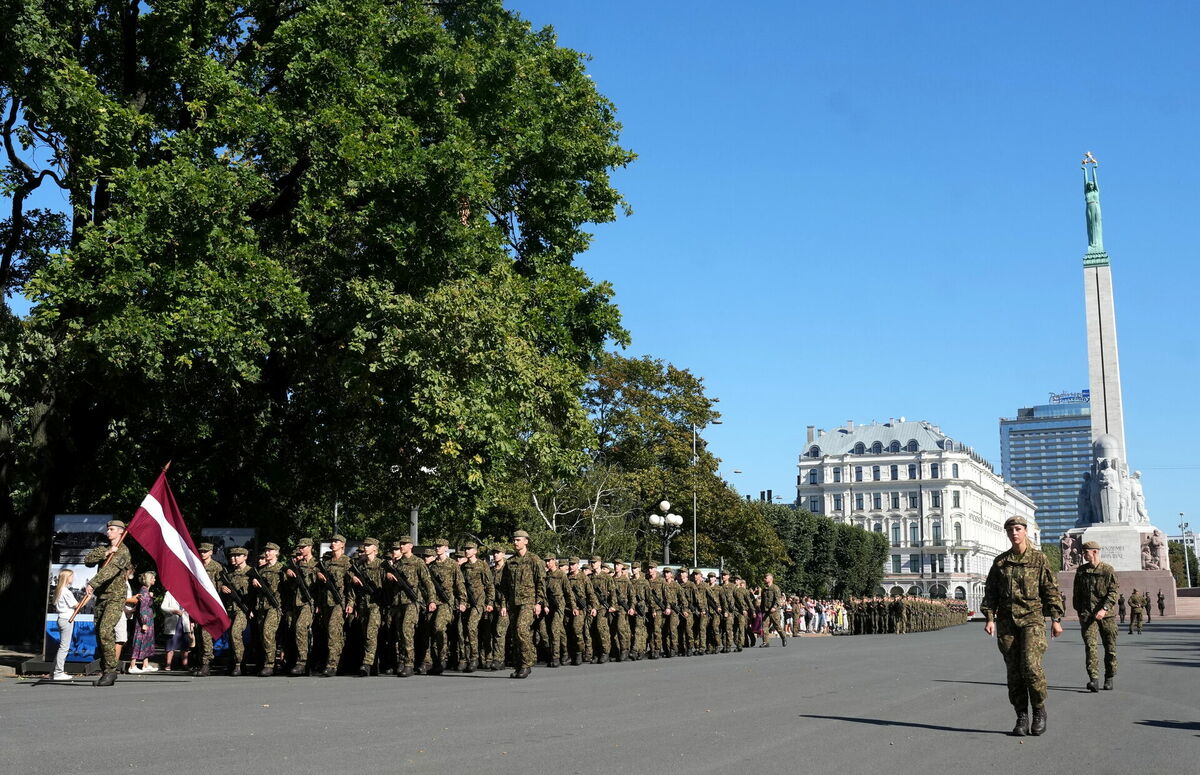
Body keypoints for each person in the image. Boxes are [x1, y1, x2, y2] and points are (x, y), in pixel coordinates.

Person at [981, 515, 1063, 737]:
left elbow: (1051, 590)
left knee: (1031, 666)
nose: (1014, 533)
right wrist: (989, 617)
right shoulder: (1000, 562)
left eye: (1017, 529)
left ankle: (1038, 710)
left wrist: (1055, 619)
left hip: (1032, 619)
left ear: (1025, 531)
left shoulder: (1039, 559)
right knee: (1014, 672)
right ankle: (1021, 716)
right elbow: (991, 593)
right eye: (1010, 530)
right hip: (1007, 622)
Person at [82, 520, 133, 686]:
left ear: (120, 531)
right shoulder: (105, 548)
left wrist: (92, 583)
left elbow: (110, 571)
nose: (108, 532)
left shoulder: (124, 551)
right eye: (108, 529)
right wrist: (106, 552)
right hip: (102, 597)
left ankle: (110, 671)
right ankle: (106, 670)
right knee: (99, 633)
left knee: (105, 630)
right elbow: (88, 560)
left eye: (111, 530)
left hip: (115, 597)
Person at [1071, 541, 1118, 691]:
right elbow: (1076, 593)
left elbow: (1113, 592)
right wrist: (1079, 611)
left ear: (1095, 552)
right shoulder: (1081, 571)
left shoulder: (1107, 570)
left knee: (1110, 647)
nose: (1084, 555)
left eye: (1086, 552)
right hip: (1087, 616)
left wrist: (1104, 609)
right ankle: (1094, 679)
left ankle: (1109, 676)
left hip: (1106, 616)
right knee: (1090, 647)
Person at [499, 530, 545, 678]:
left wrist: (539, 602)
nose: (515, 542)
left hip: (528, 601)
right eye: (514, 540)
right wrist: (503, 605)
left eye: (518, 540)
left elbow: (541, 582)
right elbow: (504, 586)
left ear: (526, 541)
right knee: (515, 634)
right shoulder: (510, 562)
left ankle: (527, 662)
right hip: (513, 603)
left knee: (521, 629)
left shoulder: (534, 559)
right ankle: (519, 665)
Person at [128, 571, 158, 673]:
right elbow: (143, 609)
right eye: (153, 578)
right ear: (149, 580)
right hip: (144, 620)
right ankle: (132, 666)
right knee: (139, 641)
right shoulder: (144, 592)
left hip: (148, 620)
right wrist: (144, 623)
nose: (154, 580)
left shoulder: (146, 591)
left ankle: (145, 665)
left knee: (147, 641)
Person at [51, 569, 78, 680]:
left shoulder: (60, 590)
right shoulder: (66, 591)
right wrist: (88, 598)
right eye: (72, 576)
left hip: (62, 618)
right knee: (64, 647)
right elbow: (76, 605)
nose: (73, 578)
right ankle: (58, 672)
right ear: (67, 578)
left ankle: (54, 672)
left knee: (62, 646)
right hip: (67, 619)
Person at [160, 590, 192, 671]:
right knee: (170, 644)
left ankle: (185, 665)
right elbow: (163, 607)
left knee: (185, 645)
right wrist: (173, 611)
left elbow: (191, 608)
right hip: (173, 622)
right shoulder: (169, 593)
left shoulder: (187, 593)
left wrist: (192, 622)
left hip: (184, 622)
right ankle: (168, 665)